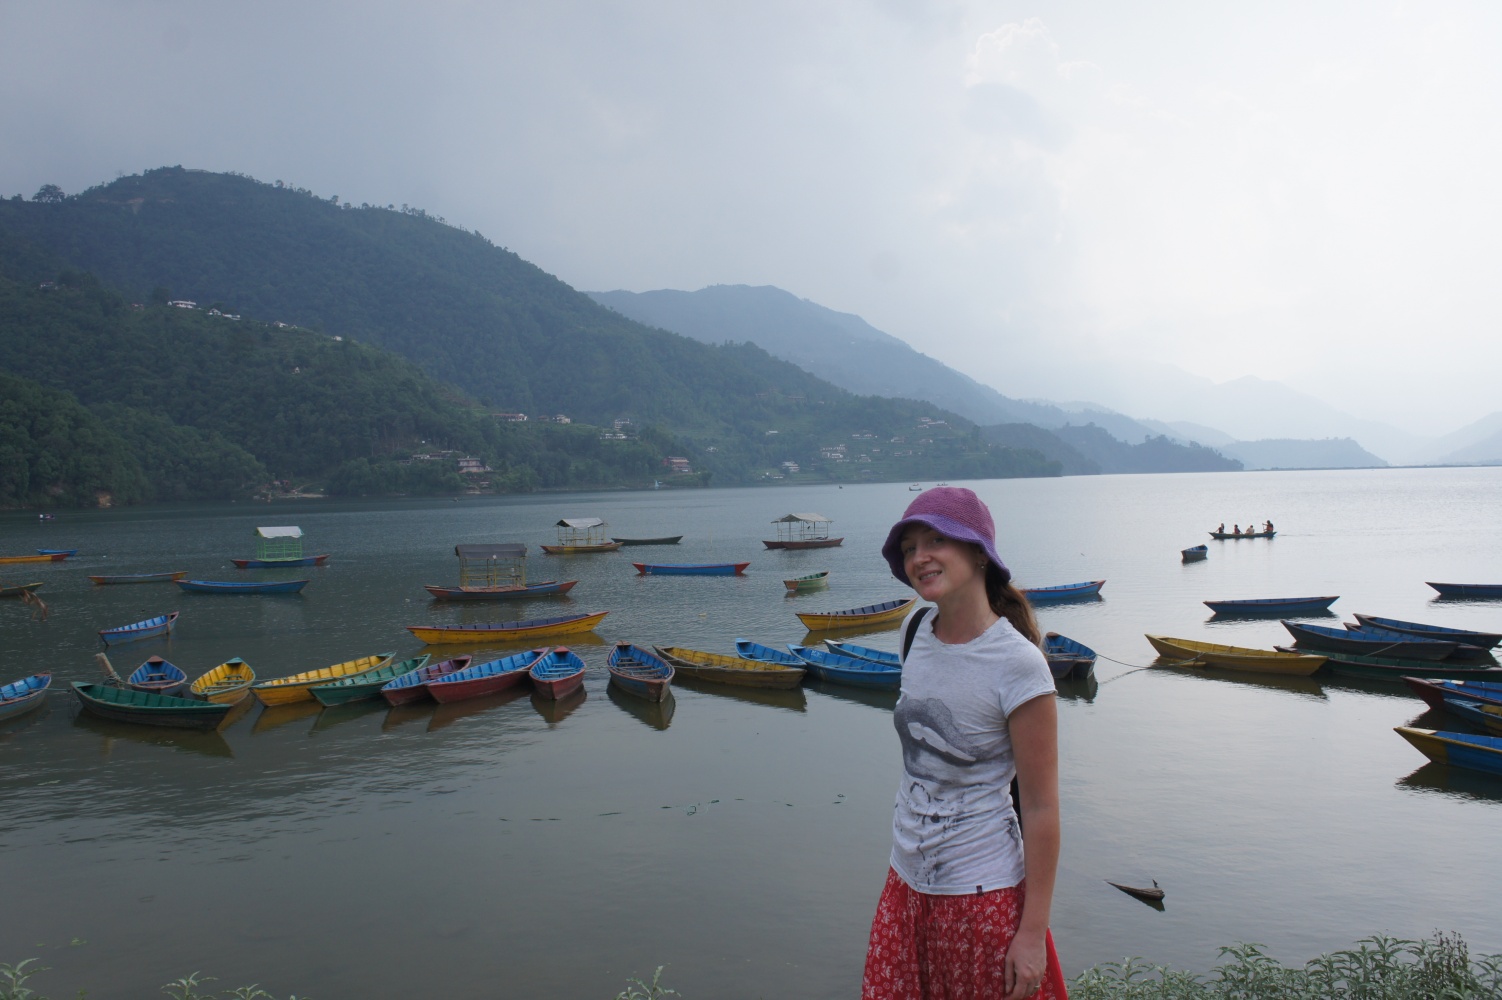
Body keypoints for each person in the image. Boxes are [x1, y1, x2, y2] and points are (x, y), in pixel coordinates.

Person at [863, 487, 1067, 1000]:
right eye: (909, 547)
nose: (919, 557)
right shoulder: (914, 631)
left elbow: (1041, 808)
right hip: (904, 885)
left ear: (979, 553)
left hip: (980, 897)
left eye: (936, 540)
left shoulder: (1019, 665)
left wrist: (1032, 934)